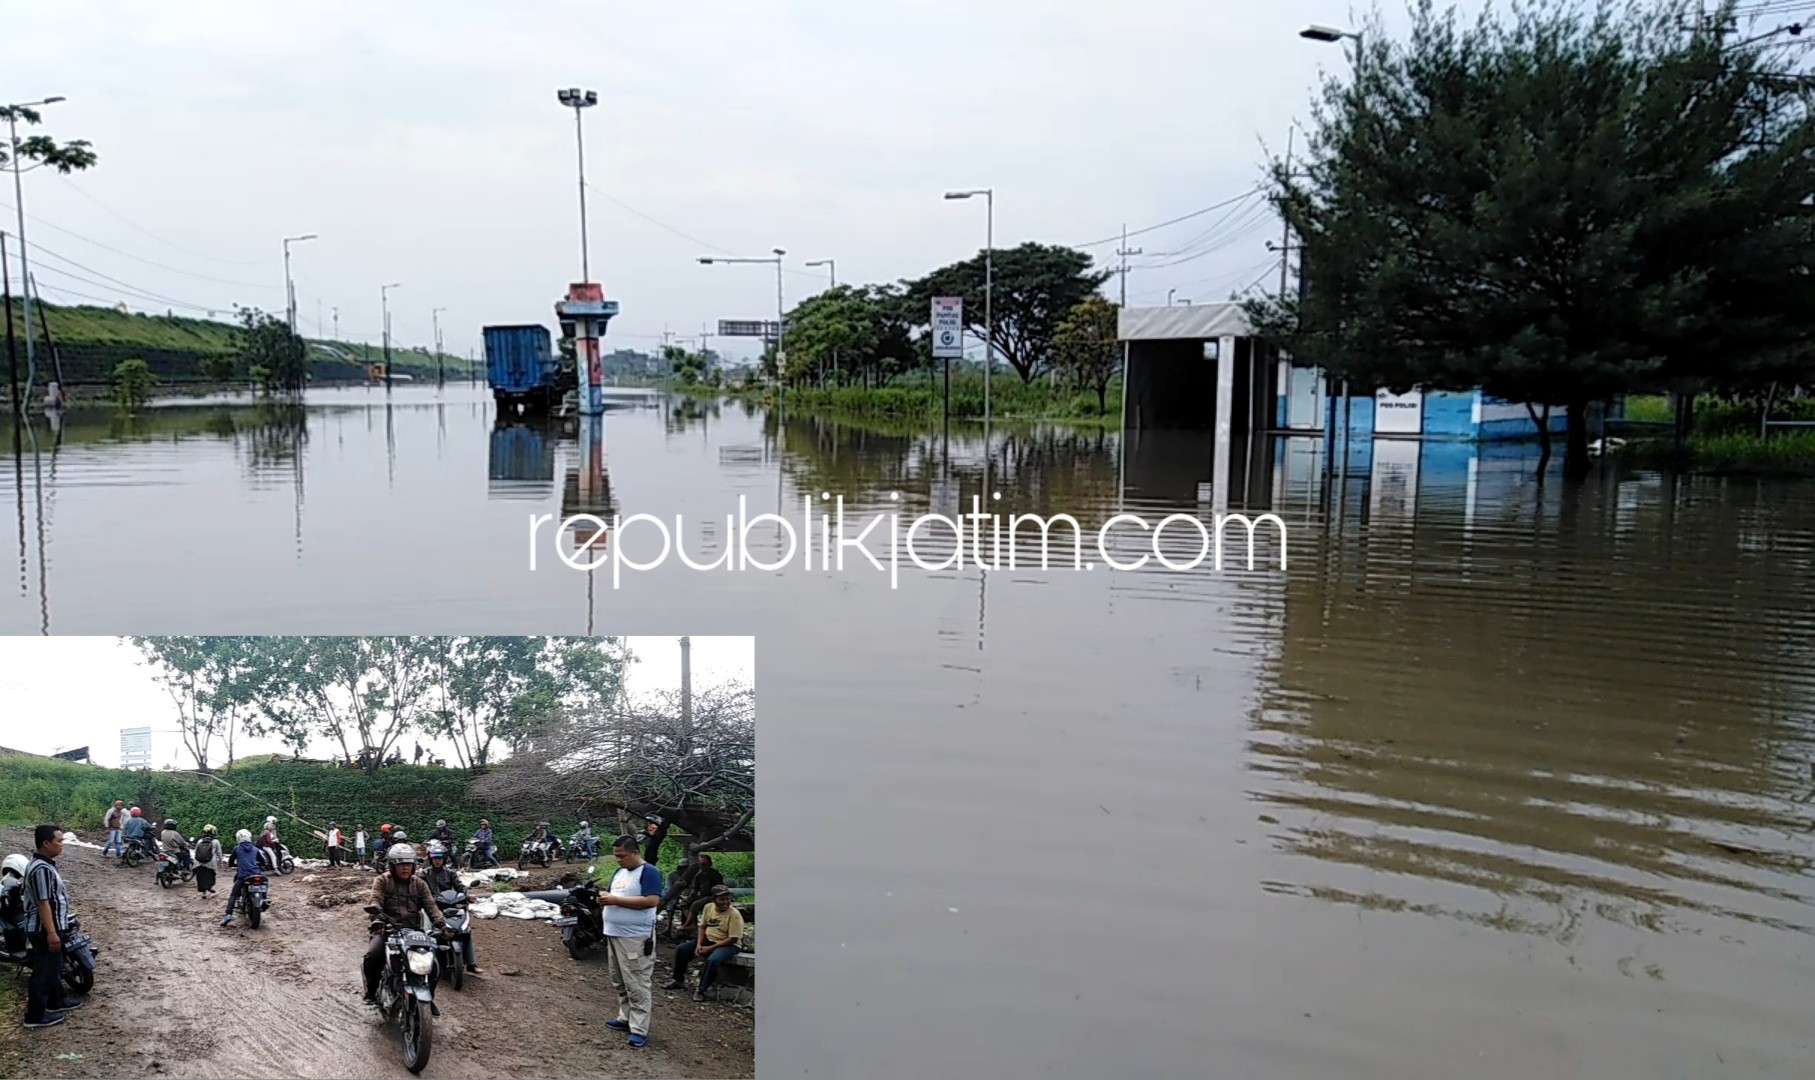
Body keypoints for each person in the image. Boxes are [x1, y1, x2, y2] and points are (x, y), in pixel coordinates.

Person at [363, 845, 449, 1005]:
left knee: (434, 964)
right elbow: (375, 900)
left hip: (413, 932)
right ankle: (371, 991)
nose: (405, 868)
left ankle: (428, 999)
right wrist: (377, 920)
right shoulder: (382, 880)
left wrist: (442, 924)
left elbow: (431, 906)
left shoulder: (420, 884)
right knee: (373, 956)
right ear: (392, 866)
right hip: (386, 929)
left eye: (408, 864)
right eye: (401, 864)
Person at [599, 835, 663, 1048]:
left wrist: (616, 900)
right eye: (616, 856)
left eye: (622, 855)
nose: (619, 859)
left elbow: (652, 900)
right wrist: (606, 898)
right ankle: (625, 1017)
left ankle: (639, 1028)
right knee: (619, 979)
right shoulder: (620, 872)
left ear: (635, 852)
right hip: (614, 933)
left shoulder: (649, 872)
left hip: (635, 936)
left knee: (636, 980)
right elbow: (614, 895)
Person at [21, 824, 83, 1028]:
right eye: (59, 841)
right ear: (46, 843)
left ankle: (56, 1000)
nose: (62, 844)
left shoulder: (45, 865)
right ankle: (34, 1016)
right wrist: (51, 932)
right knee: (44, 971)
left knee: (54, 966)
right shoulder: (40, 869)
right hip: (44, 928)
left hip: (52, 926)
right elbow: (43, 902)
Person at [667, 885, 745, 1001]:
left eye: (727, 899)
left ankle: (701, 990)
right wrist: (699, 945)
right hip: (709, 939)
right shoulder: (708, 907)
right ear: (713, 899)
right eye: (721, 899)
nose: (725, 902)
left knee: (713, 960)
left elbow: (733, 938)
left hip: (728, 944)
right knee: (682, 949)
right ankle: (678, 980)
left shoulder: (734, 915)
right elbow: (703, 927)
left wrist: (710, 948)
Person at [420, 844, 480, 975]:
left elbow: (460, 886)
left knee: (465, 930)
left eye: (440, 858)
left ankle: (471, 963)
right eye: (435, 858)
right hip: (431, 907)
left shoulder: (450, 873)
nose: (437, 861)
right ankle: (426, 962)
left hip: (449, 906)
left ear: (444, 859)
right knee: (428, 931)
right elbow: (419, 888)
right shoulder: (424, 874)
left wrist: (467, 895)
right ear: (431, 859)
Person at [219, 829, 263, 926]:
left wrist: (232, 864)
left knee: (233, 895)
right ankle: (264, 899)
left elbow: (231, 861)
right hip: (256, 874)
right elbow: (263, 861)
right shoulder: (255, 849)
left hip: (242, 875)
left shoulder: (237, 848)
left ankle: (228, 914)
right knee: (265, 882)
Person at [191, 826, 220, 895]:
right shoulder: (216, 841)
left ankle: (204, 893)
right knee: (211, 876)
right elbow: (219, 853)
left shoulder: (200, 841)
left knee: (201, 878)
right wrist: (219, 862)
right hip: (211, 863)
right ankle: (210, 887)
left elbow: (196, 851)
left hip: (199, 862)